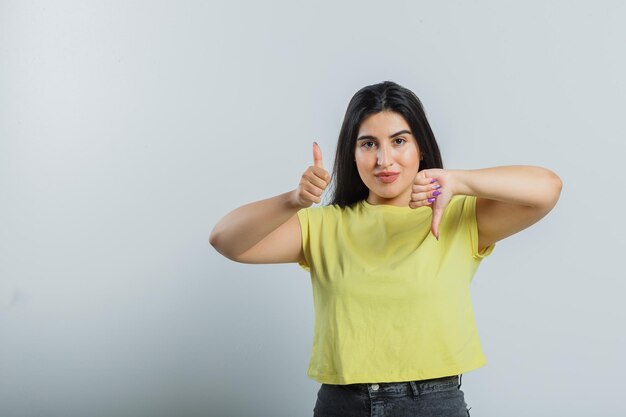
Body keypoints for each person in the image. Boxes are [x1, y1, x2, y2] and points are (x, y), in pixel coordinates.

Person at [209, 81, 563, 417]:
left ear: (420, 147)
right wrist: (294, 200)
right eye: (368, 144)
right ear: (352, 153)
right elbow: (225, 239)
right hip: (342, 403)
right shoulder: (325, 225)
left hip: (432, 403)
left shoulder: (458, 217)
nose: (384, 160)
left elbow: (547, 187)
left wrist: (459, 180)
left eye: (398, 141)